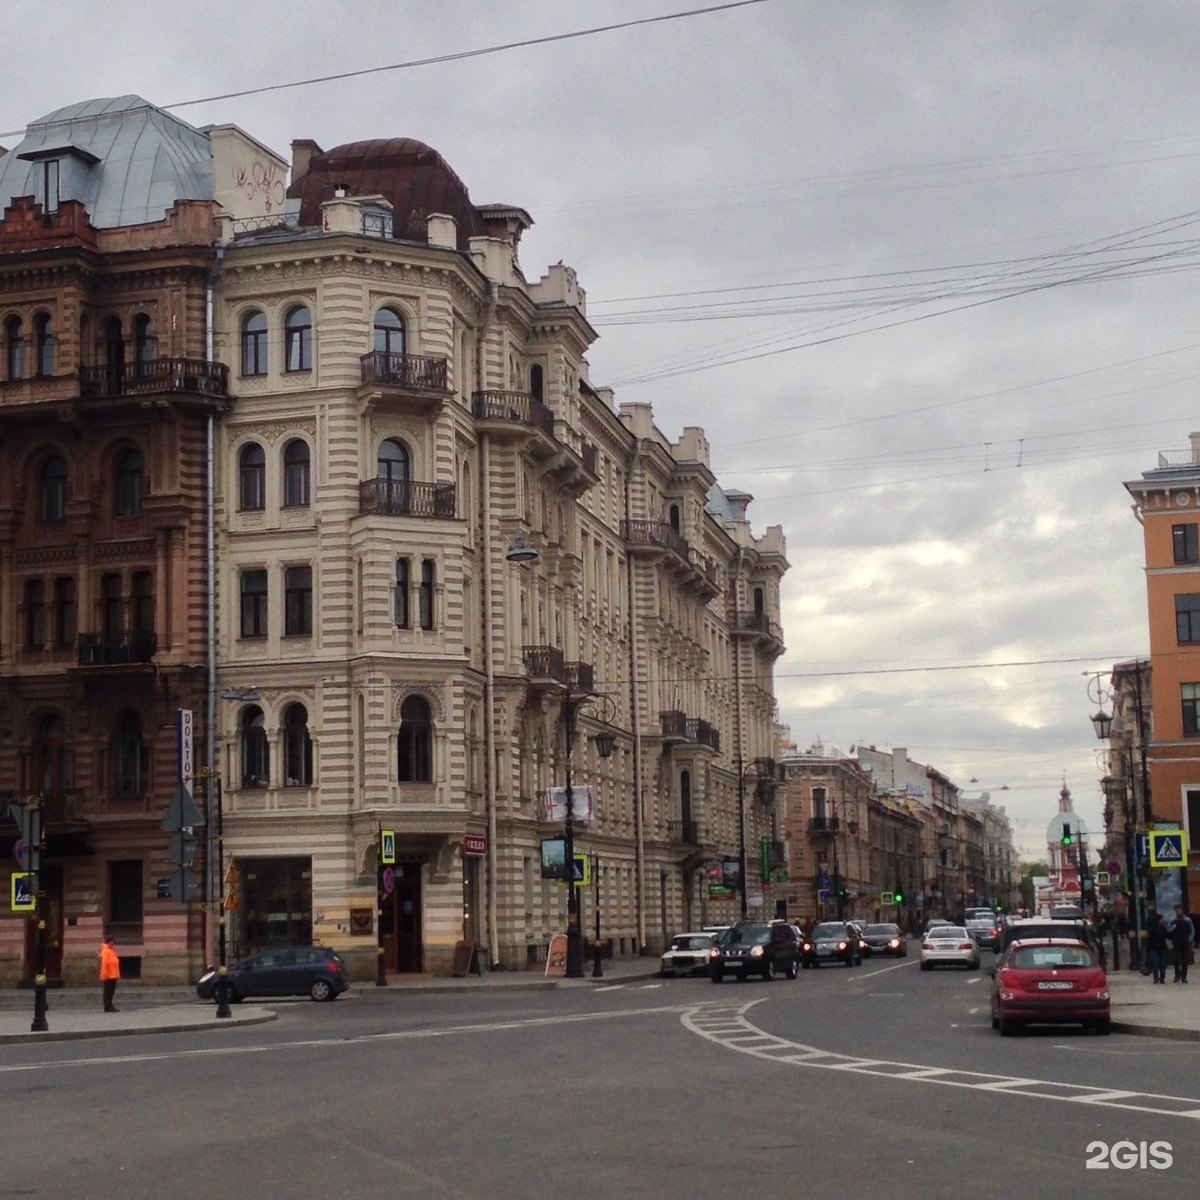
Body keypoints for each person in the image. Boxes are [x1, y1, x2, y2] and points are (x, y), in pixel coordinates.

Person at [1168, 904, 1194, 983]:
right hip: (1176, 942)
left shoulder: (1188, 920)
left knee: (1185, 960)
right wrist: (1173, 927)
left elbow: (1192, 931)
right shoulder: (1172, 920)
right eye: (1177, 910)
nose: (1178, 911)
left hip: (1185, 942)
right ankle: (1177, 975)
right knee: (1176, 959)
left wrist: (1189, 939)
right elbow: (1169, 930)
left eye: (1180, 909)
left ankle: (1184, 976)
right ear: (1174, 911)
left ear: (1182, 910)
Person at [1145, 912, 1169, 984]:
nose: (1163, 921)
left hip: (1162, 948)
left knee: (1163, 964)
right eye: (1161, 919)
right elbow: (1149, 940)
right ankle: (1155, 978)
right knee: (1155, 963)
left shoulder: (1163, 928)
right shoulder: (1152, 929)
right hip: (1154, 948)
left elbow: (1168, 936)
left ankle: (1162, 978)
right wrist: (1148, 949)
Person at [99, 934, 120, 1012]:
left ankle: (110, 1005)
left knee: (111, 991)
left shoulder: (111, 950)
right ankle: (107, 1006)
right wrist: (104, 975)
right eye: (111, 941)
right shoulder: (106, 951)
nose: (113, 943)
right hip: (108, 975)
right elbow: (104, 964)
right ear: (108, 942)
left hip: (113, 975)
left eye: (113, 941)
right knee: (108, 992)